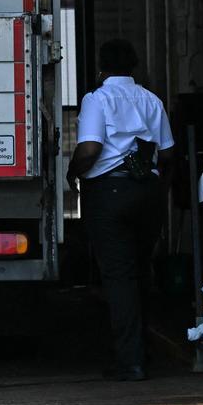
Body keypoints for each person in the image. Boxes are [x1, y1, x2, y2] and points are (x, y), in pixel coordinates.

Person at [66, 39, 174, 382]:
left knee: (119, 277)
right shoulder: (151, 99)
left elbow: (90, 148)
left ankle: (130, 361)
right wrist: (160, 189)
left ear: (101, 68)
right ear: (133, 66)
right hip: (148, 192)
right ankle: (143, 351)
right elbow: (169, 154)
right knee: (141, 272)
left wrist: (73, 171)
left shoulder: (97, 99)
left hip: (110, 192)